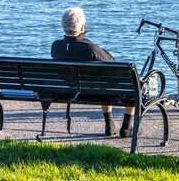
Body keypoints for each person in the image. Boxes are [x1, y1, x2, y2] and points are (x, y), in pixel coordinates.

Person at [51, 7, 135, 138]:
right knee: (130, 83)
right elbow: (113, 63)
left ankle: (110, 125)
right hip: (95, 92)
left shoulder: (56, 47)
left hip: (74, 92)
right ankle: (127, 127)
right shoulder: (90, 48)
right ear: (82, 27)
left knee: (102, 80)